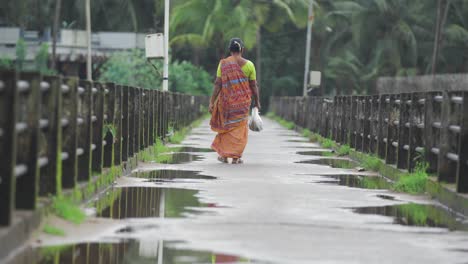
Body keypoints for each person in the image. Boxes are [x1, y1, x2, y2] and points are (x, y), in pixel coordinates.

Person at [209, 38, 261, 164]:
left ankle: (224, 156)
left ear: (230, 50)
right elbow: (253, 85)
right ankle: (236, 157)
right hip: (242, 104)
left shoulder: (223, 64)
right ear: (242, 49)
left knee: (226, 128)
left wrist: (212, 101)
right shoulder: (249, 65)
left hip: (226, 104)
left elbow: (218, 84)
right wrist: (257, 101)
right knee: (239, 130)